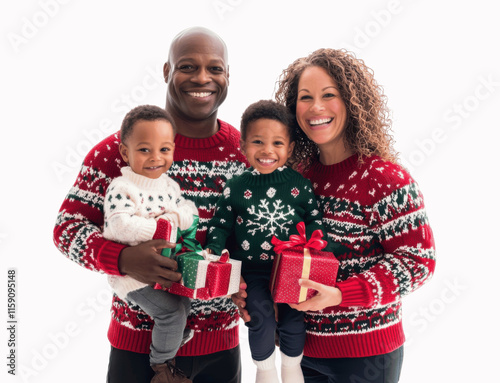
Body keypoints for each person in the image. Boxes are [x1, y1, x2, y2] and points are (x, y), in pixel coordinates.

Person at [53, 27, 248, 383]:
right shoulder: (121, 150)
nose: (202, 78)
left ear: (228, 75)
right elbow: (67, 230)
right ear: (166, 72)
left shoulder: (245, 154)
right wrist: (122, 260)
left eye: (215, 68)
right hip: (137, 349)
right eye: (187, 66)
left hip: (221, 350)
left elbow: (253, 238)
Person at [235, 49, 436, 383]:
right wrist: (260, 296)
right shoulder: (294, 178)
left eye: (329, 95)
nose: (316, 108)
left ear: (354, 102)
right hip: (297, 354)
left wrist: (342, 294)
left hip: (365, 356)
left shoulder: (384, 179)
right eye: (305, 97)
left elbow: (418, 262)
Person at [206, 100, 327, 383]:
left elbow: (314, 221)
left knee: (294, 318)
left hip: (293, 270)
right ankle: (265, 371)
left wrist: (317, 247)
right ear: (243, 145)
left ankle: (291, 368)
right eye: (258, 142)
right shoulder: (236, 186)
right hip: (253, 272)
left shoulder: (300, 185)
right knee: (259, 316)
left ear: (290, 148)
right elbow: (220, 223)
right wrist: (216, 252)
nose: (268, 151)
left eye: (277, 143)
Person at [103, 105, 198, 383]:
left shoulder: (169, 186)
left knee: (184, 304)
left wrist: (179, 216)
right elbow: (118, 225)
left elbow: (189, 211)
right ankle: (162, 368)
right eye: (145, 150)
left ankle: (173, 340)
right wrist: (163, 226)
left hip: (165, 267)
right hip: (134, 276)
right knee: (170, 313)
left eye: (165, 150)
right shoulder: (122, 188)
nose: (156, 158)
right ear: (125, 152)